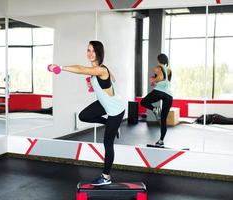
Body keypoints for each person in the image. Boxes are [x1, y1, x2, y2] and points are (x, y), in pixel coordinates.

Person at [48, 41, 125, 186]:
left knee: (108, 143)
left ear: (99, 53)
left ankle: (106, 177)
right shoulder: (97, 71)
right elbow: (112, 80)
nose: (90, 53)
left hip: (115, 110)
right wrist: (96, 86)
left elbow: (80, 69)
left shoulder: (101, 70)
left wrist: (60, 67)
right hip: (105, 104)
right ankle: (110, 124)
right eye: (88, 50)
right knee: (84, 116)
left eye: (93, 51)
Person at [140, 53, 173, 147]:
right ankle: (161, 140)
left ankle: (155, 109)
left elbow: (161, 78)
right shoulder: (169, 70)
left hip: (159, 91)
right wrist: (155, 80)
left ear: (159, 60)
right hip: (169, 95)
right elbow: (166, 81)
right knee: (163, 119)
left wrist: (153, 80)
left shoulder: (157, 68)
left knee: (143, 102)